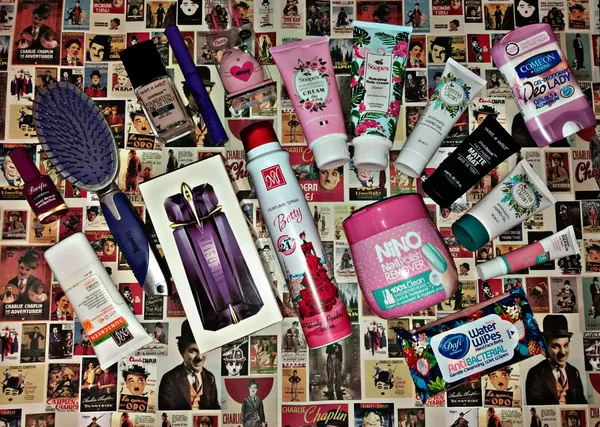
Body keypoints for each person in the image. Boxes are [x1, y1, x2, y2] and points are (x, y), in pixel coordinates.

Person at [525, 314, 587, 404]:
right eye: (556, 346)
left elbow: (582, 403)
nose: (563, 352)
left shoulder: (574, 372)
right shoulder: (535, 374)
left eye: (566, 345)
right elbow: (535, 407)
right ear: (545, 347)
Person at [159, 320, 220, 409]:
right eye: (193, 351)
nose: (200, 357)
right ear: (182, 352)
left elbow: (216, 409)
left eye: (203, 350)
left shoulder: (210, 378)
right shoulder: (170, 379)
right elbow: (167, 412)